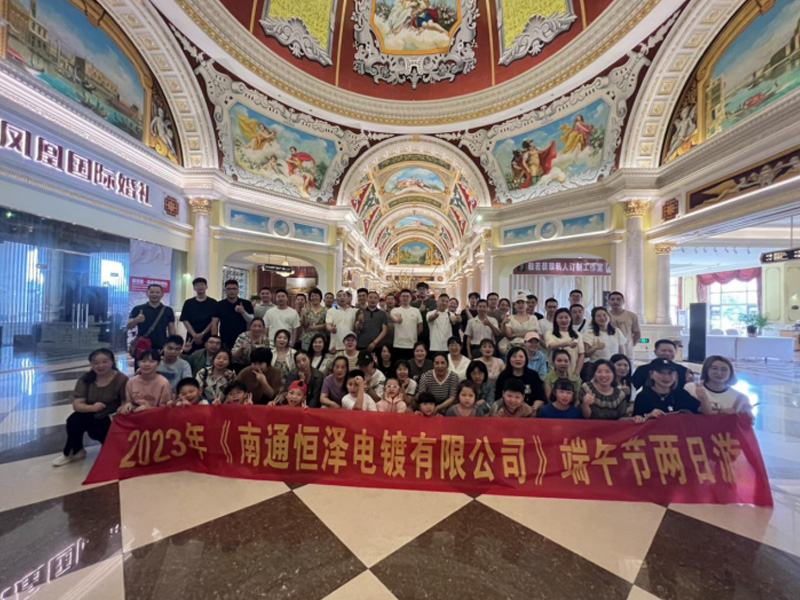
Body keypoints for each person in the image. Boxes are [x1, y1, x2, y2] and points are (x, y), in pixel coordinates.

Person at [53, 349, 128, 466]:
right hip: (90, 412)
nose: (100, 366)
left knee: (100, 428)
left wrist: (122, 408)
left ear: (112, 362)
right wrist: (91, 408)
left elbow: (125, 400)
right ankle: (74, 450)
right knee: (74, 420)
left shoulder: (121, 379)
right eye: (96, 363)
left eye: (105, 361)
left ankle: (110, 446)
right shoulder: (86, 379)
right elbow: (77, 404)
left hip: (109, 415)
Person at [632, 358, 712, 419]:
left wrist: (704, 398)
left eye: (670, 373)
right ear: (651, 374)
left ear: (675, 375)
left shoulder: (681, 394)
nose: (666, 377)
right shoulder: (643, 396)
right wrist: (649, 415)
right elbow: (635, 420)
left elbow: (706, 412)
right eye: (661, 373)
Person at [685, 356, 753, 417]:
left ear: (730, 373)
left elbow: (746, 423)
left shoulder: (740, 398)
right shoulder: (691, 389)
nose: (719, 373)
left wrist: (748, 416)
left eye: (724, 369)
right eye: (714, 368)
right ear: (706, 370)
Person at [127, 283, 175, 354]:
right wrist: (136, 320)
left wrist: (173, 343)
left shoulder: (168, 310)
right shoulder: (138, 309)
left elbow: (172, 329)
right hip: (142, 346)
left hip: (161, 347)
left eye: (157, 292)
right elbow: (128, 326)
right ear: (147, 293)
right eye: (152, 292)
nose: (154, 294)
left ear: (162, 294)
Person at [180, 277, 218, 352]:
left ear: (206, 286)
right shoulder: (188, 303)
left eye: (202, 284)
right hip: (191, 335)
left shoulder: (213, 302)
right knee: (189, 354)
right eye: (197, 285)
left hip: (208, 336)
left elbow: (213, 321)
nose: (200, 287)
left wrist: (202, 334)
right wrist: (194, 335)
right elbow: (185, 320)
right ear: (194, 288)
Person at [214, 280, 254, 350]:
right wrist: (215, 339)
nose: (232, 291)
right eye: (229, 289)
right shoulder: (219, 305)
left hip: (242, 339)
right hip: (225, 340)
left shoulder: (246, 303)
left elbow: (251, 321)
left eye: (234, 289)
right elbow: (214, 323)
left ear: (238, 290)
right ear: (225, 290)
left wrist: (243, 312)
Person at [544, 307, 584, 376]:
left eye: (566, 317)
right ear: (555, 320)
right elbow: (550, 346)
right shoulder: (549, 333)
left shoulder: (577, 335)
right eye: (560, 318)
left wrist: (577, 372)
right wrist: (567, 343)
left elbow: (581, 354)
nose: (564, 320)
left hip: (573, 372)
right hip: (554, 373)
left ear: (570, 319)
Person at [391, 288, 423, 361]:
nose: (405, 298)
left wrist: (412, 334)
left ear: (411, 298)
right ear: (400, 298)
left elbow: (420, 328)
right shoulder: (395, 310)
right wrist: (398, 320)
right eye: (403, 296)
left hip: (412, 344)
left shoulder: (416, 311)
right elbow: (394, 318)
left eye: (407, 296)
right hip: (398, 344)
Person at [608, 291, 641, 359]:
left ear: (623, 301)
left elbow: (637, 333)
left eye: (618, 299)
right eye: (612, 299)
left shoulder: (632, 315)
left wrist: (631, 345)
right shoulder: (605, 316)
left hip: (627, 351)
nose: (615, 301)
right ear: (608, 302)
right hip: (609, 350)